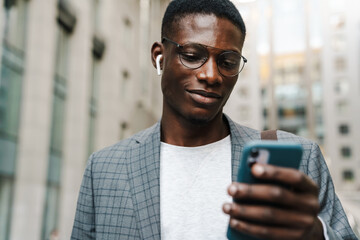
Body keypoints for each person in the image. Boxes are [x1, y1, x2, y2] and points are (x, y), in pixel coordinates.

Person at [71, 0, 358, 239]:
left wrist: (315, 234)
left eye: (228, 62)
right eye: (193, 55)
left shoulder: (299, 158)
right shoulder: (104, 169)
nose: (211, 75)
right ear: (159, 57)